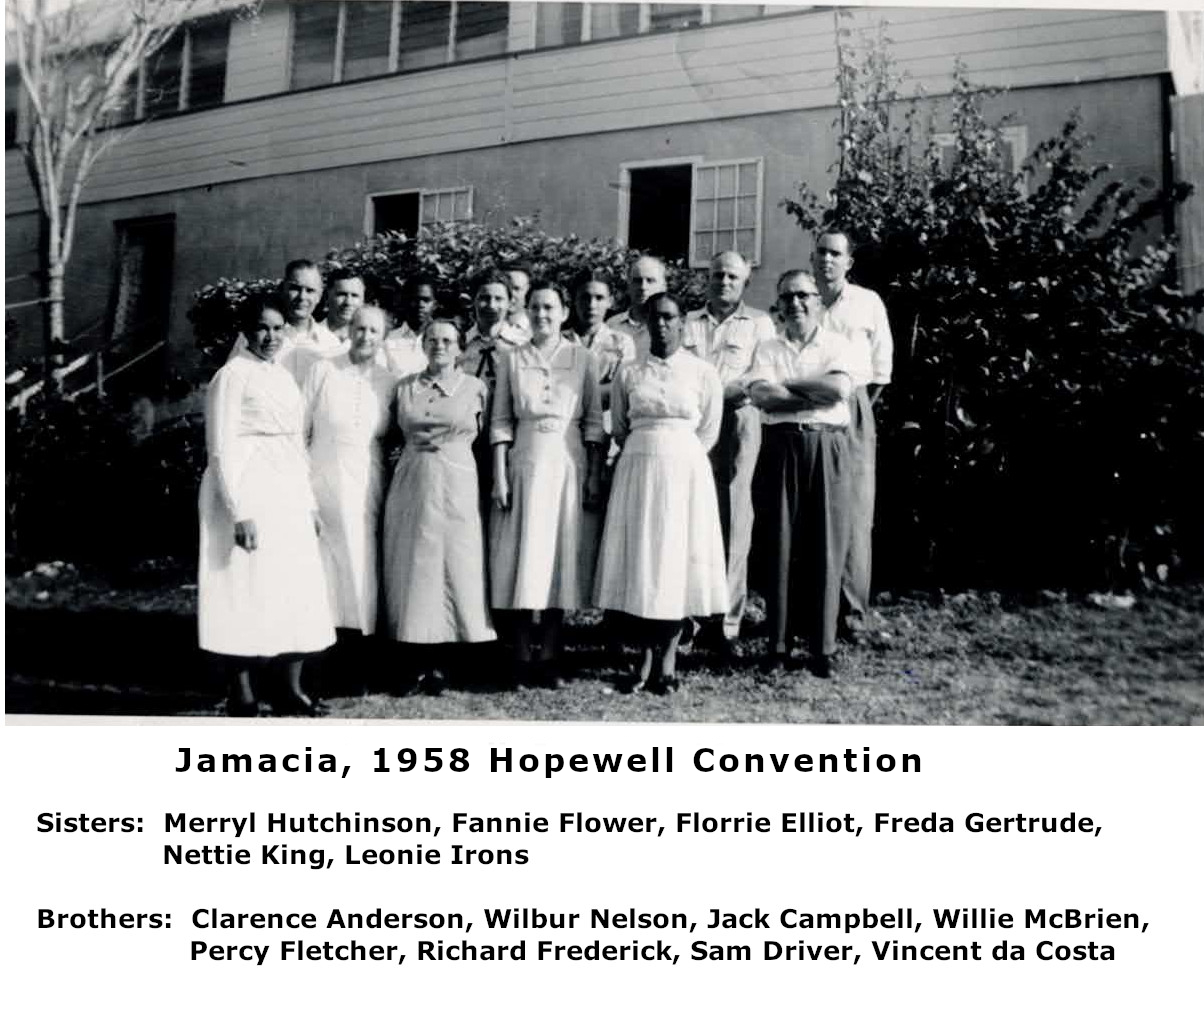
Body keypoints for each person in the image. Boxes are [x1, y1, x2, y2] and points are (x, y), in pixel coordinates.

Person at [198, 295, 334, 716]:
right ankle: (242, 693)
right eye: (262, 328)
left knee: (294, 584)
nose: (271, 337)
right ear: (245, 330)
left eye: (277, 328)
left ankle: (290, 689)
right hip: (246, 488)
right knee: (242, 585)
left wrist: (308, 502)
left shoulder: (283, 376)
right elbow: (220, 448)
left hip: (287, 489)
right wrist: (237, 511)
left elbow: (295, 443)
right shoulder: (231, 376)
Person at [594, 292, 727, 693]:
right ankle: (644, 657)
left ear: (683, 322)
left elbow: (709, 430)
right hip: (639, 470)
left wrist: (677, 454)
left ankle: (667, 659)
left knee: (674, 562)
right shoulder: (630, 372)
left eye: (669, 317)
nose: (662, 325)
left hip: (685, 474)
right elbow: (620, 426)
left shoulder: (702, 372)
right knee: (643, 561)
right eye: (655, 317)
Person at [746, 271, 871, 678]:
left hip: (827, 445)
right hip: (780, 447)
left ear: (817, 300)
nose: (795, 303)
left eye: (803, 295)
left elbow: (838, 391)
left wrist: (787, 387)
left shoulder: (838, 343)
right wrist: (810, 391)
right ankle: (778, 645)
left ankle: (822, 647)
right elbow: (762, 395)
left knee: (826, 544)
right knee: (778, 544)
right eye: (786, 297)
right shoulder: (767, 346)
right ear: (778, 304)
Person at [489, 281, 605, 685]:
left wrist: (593, 475)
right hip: (524, 463)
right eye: (535, 307)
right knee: (523, 557)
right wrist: (500, 476)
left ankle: (551, 654)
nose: (541, 315)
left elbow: (594, 422)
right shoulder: (512, 359)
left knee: (559, 558)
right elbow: (501, 422)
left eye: (550, 308)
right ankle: (522, 654)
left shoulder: (583, 358)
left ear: (564, 313)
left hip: (567, 463)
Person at [381, 320, 496, 692]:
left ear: (460, 347)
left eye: (447, 340)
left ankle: (451, 661)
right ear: (423, 345)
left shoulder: (476, 388)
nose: (439, 346)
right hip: (413, 481)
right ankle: (415, 659)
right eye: (432, 339)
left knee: (457, 565)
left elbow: (488, 439)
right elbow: (389, 436)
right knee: (415, 566)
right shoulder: (405, 387)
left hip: (458, 482)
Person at [682, 250, 776, 654]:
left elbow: (762, 373)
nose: (723, 281)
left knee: (735, 520)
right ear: (708, 278)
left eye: (732, 277)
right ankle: (688, 620)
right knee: (691, 518)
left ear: (745, 282)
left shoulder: (759, 324)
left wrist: (718, 396)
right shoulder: (688, 322)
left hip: (738, 420)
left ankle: (726, 624)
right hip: (692, 426)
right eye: (718, 274)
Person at [303, 305, 397, 670]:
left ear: (383, 337)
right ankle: (319, 653)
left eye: (374, 331)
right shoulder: (323, 369)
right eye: (360, 328)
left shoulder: (389, 380)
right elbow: (299, 431)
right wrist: (303, 491)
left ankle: (359, 654)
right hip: (323, 478)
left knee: (363, 561)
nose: (365, 337)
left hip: (368, 481)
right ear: (349, 330)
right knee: (325, 565)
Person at [811, 228, 893, 639]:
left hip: (854, 407)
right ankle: (812, 612)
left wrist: (855, 408)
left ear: (849, 262)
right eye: (821, 252)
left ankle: (852, 613)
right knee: (814, 510)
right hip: (808, 408)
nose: (827, 259)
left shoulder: (867, 303)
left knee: (856, 512)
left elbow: (880, 370)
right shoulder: (802, 300)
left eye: (835, 253)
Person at [460, 273, 531, 512]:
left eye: (499, 299)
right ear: (473, 300)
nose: (491, 305)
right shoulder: (460, 344)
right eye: (484, 298)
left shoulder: (522, 346)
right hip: (468, 440)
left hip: (509, 440)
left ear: (510, 303)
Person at [567, 268, 635, 422]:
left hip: (606, 425)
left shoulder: (621, 342)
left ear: (610, 301)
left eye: (599, 298)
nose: (591, 305)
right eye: (585, 297)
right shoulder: (559, 341)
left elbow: (620, 390)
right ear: (574, 299)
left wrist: (570, 395)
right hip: (565, 426)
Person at [277, 259, 346, 385]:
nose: (302, 297)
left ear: (319, 296)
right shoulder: (258, 336)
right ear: (282, 289)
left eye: (310, 290)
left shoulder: (331, 343)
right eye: (295, 288)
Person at [607, 255, 666, 360]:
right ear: (628, 285)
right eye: (637, 281)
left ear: (663, 286)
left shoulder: (671, 328)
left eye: (650, 280)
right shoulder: (612, 326)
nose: (643, 287)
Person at [380, 276, 438, 378]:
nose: (420, 305)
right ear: (404, 301)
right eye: (415, 299)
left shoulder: (444, 340)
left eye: (426, 300)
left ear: (435, 305)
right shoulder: (389, 339)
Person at [320, 270, 366, 343]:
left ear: (363, 300)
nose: (348, 302)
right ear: (327, 297)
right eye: (342, 294)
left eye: (354, 295)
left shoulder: (372, 341)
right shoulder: (309, 336)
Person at [500, 260, 533, 337]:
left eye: (516, 289)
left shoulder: (536, 330)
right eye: (506, 287)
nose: (510, 294)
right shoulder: (482, 327)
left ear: (528, 291)